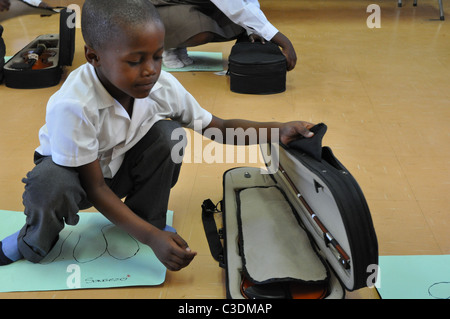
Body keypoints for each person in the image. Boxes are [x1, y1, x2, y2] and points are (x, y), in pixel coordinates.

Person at [0, 0, 313, 271]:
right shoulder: (74, 105)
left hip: (117, 168)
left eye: (157, 56)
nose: (150, 70)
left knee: (169, 134)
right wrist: (151, 240)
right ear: (94, 57)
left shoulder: (161, 86)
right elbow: (95, 188)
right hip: (74, 181)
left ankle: (146, 218)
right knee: (50, 184)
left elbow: (216, 127)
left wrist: (276, 131)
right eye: (135, 61)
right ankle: (32, 239)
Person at [151, 0, 297, 71]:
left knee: (239, 26)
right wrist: (284, 42)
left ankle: (179, 42)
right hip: (159, 6)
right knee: (202, 32)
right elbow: (237, 10)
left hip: (192, 4)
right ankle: (167, 43)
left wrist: (254, 30)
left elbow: (247, 1)